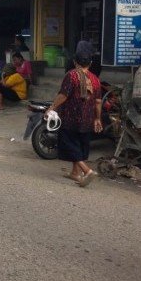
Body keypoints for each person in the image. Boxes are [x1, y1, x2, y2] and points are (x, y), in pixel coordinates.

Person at [45, 42, 102, 187]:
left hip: (71, 117)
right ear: (90, 63)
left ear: (75, 62)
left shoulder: (71, 76)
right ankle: (75, 173)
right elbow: (98, 101)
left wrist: (52, 107)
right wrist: (97, 118)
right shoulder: (95, 79)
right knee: (80, 145)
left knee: (69, 144)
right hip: (87, 118)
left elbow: (63, 96)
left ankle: (87, 171)